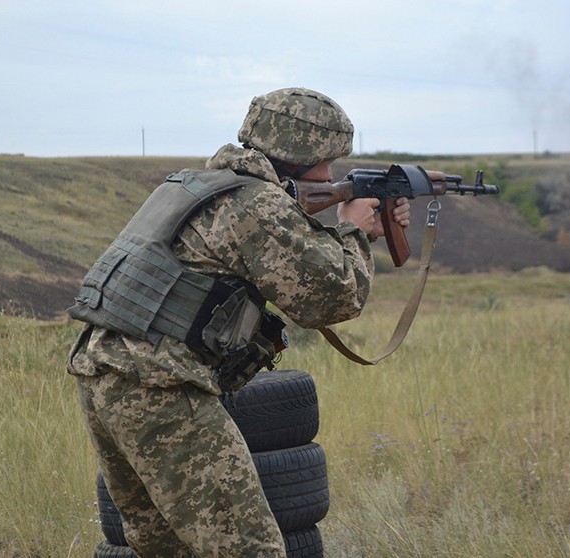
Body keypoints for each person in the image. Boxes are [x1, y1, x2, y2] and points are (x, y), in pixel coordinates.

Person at [65, 87, 410, 557]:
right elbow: (333, 300)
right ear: (298, 155)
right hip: (161, 389)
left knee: (166, 549)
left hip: (104, 378)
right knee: (251, 550)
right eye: (327, 161)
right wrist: (352, 228)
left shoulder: (194, 186)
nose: (332, 174)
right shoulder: (256, 205)